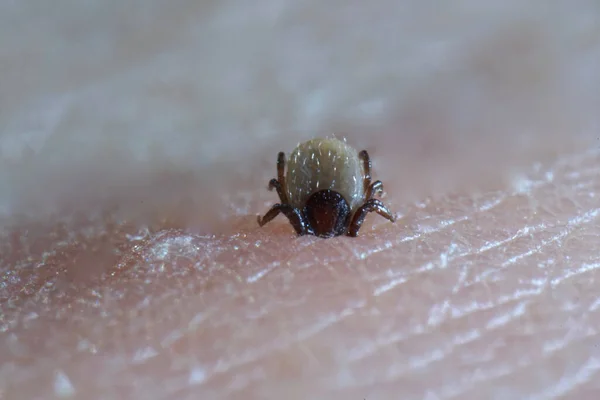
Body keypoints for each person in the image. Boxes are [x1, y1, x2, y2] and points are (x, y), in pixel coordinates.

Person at [1, 1, 598, 399]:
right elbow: (299, 186)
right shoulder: (319, 203)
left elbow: (305, 187)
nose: (320, 227)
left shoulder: (321, 204)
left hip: (325, 171)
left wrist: (339, 199)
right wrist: (333, 199)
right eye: (322, 220)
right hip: (323, 172)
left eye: (320, 218)